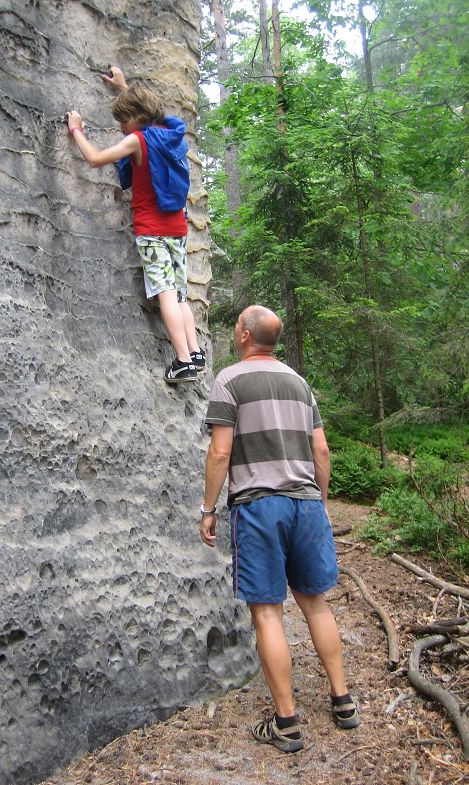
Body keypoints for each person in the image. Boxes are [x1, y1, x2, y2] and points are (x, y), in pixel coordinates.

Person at [199, 305, 360, 753]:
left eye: (238, 325)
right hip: (306, 505)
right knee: (315, 604)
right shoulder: (298, 383)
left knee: (268, 612)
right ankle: (343, 702)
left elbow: (219, 452)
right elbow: (321, 450)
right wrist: (320, 503)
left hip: (258, 506)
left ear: (245, 336)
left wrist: (208, 508)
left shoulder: (229, 380)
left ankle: (286, 723)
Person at [66, 67, 204, 384]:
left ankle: (183, 362)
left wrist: (76, 130)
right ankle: (195, 352)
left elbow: (95, 158)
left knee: (165, 293)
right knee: (180, 295)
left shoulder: (137, 140)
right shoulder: (170, 133)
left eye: (123, 121)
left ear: (134, 119)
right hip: (177, 228)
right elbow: (148, 112)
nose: (120, 127)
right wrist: (124, 88)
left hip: (151, 230)